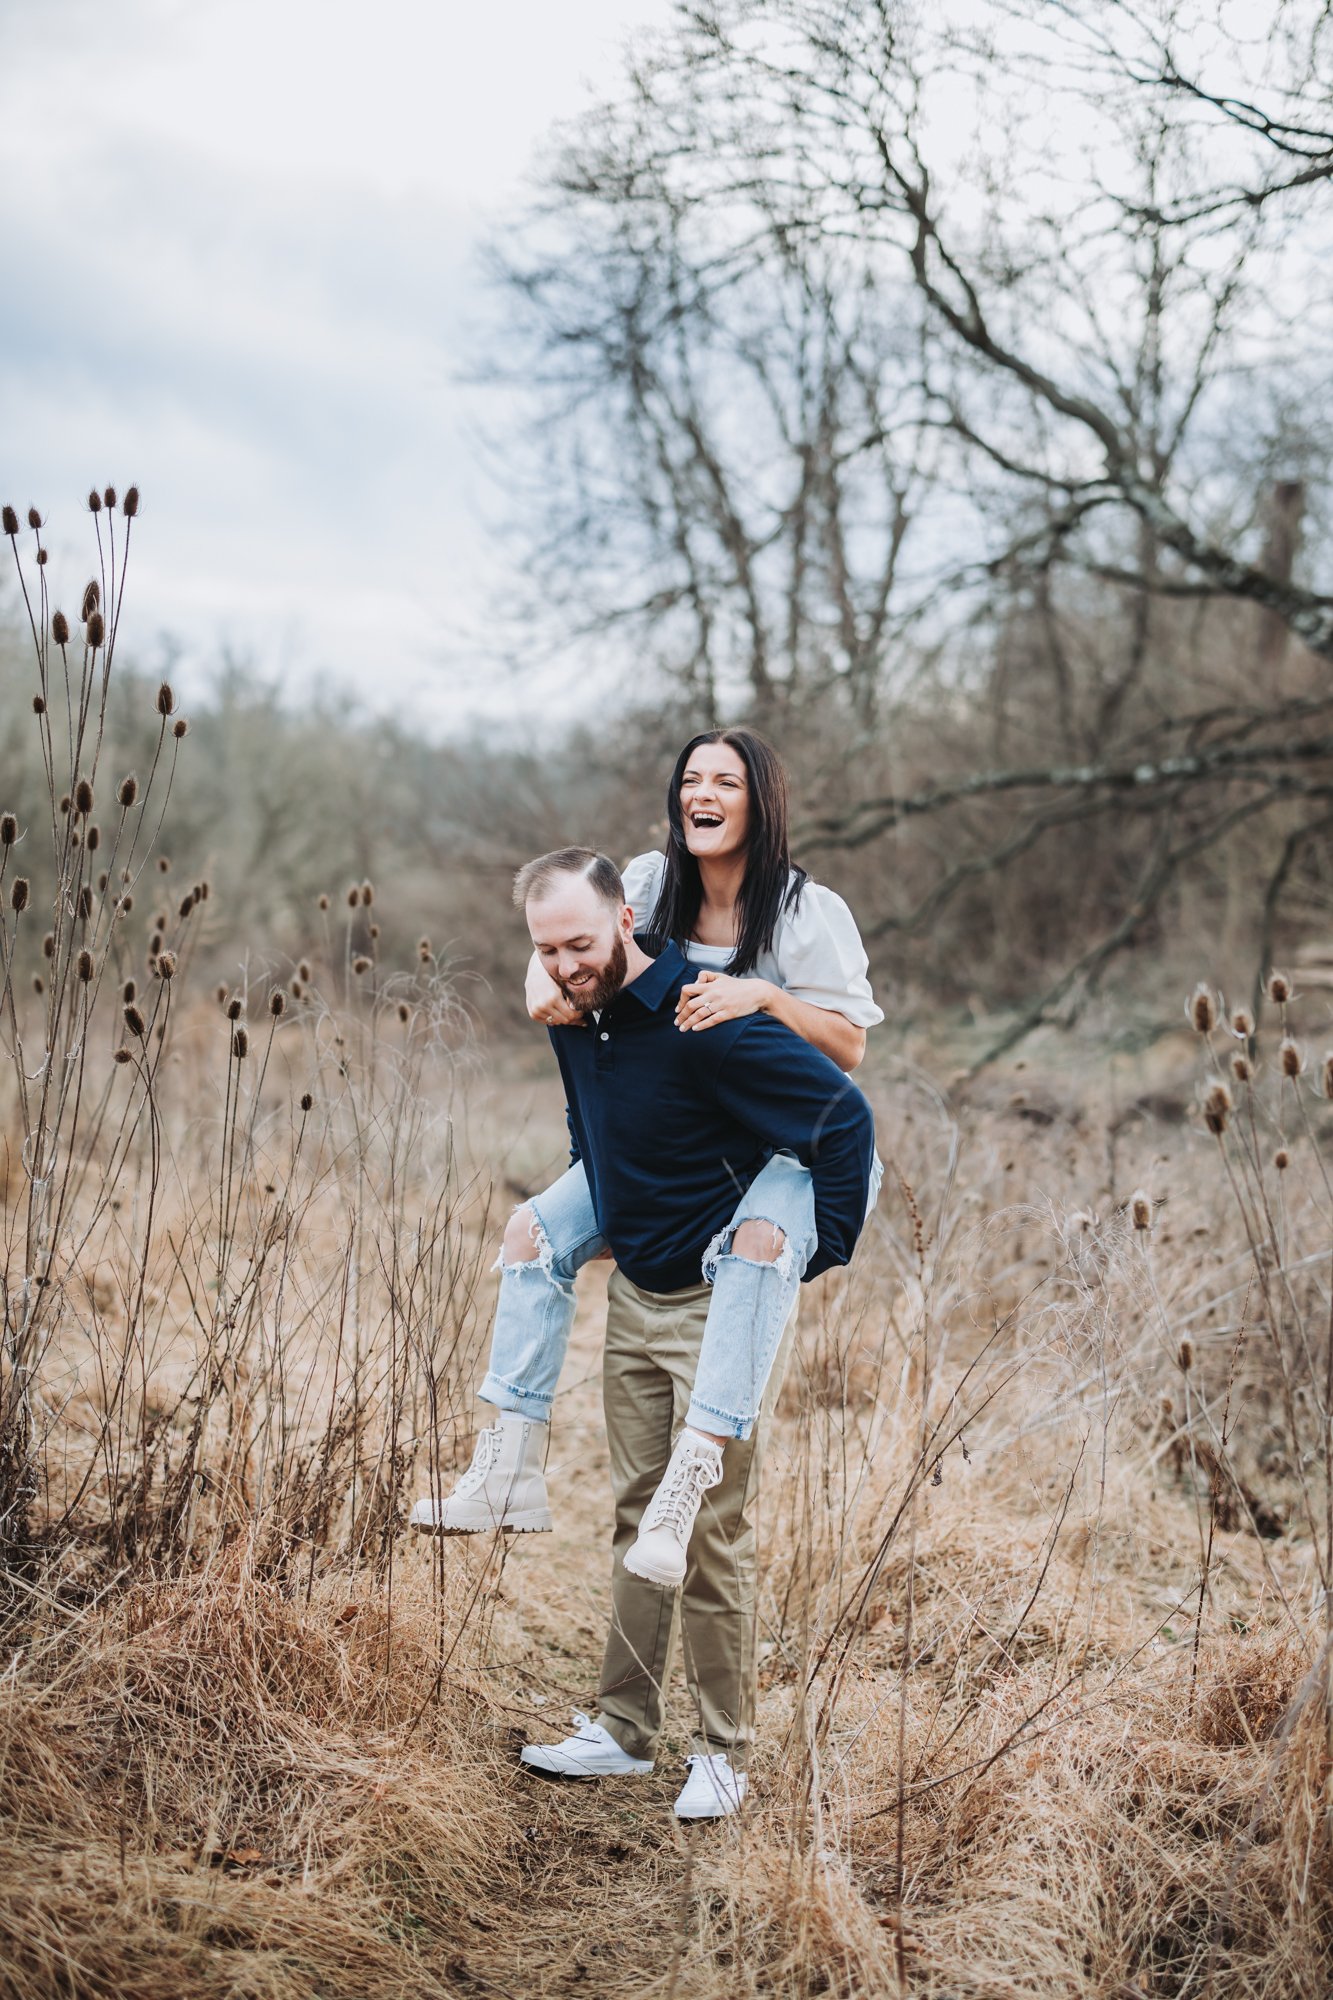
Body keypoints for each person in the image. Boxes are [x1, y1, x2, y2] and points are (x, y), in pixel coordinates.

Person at [409, 728, 883, 1583]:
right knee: (531, 1232)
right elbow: (575, 933)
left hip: (788, 1139)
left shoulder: (808, 911)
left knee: (759, 1244)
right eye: (689, 778)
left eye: (724, 780)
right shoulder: (650, 882)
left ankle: (691, 1477)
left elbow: (847, 1053)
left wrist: (763, 995)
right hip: (672, 1127)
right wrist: (536, 981)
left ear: (759, 800)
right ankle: (509, 1466)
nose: (701, 793)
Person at [504, 848, 876, 1817]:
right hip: (636, 1290)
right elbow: (595, 1133)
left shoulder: (703, 1013)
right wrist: (601, 1218)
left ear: (627, 916)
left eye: (580, 941)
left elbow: (842, 1115)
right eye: (547, 948)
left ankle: (722, 1751)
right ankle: (621, 1731)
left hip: (722, 1300)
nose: (565, 961)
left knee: (712, 1528)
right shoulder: (576, 1014)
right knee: (638, 1512)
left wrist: (814, 1250)